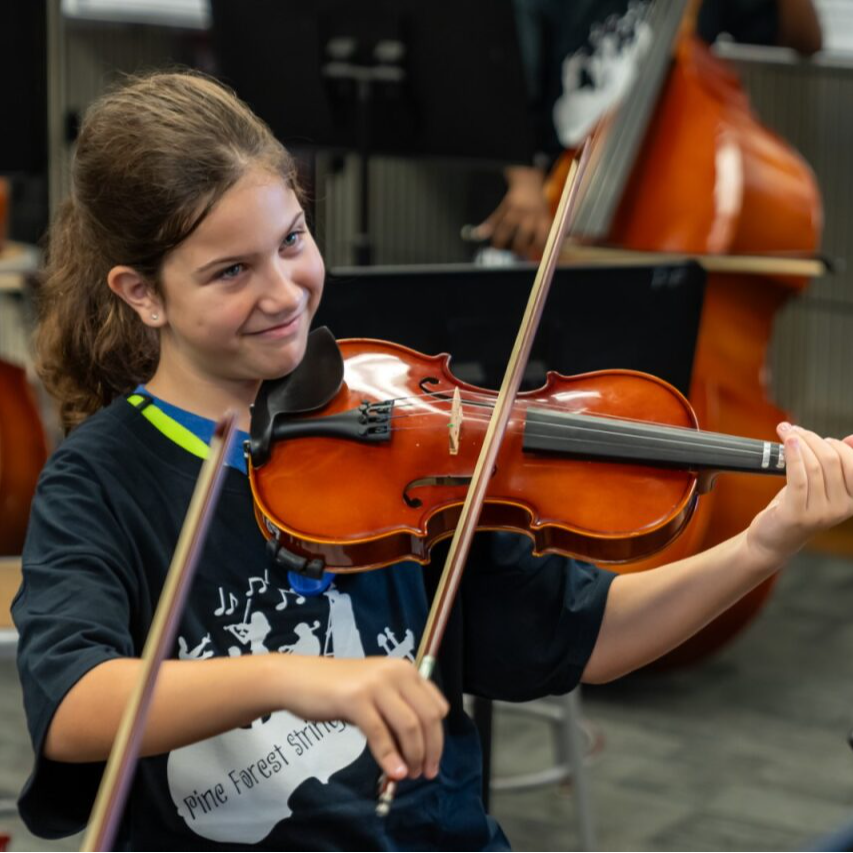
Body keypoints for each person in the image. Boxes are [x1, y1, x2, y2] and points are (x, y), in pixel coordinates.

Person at [12, 70, 853, 851]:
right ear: (142, 292)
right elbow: (75, 709)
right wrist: (298, 680)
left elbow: (590, 637)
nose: (284, 290)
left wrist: (764, 542)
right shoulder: (102, 478)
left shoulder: (403, 438)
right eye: (231, 270)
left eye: (292, 238)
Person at [475, 0, 824, 258]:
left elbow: (805, 38)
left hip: (665, 207)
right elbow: (505, 87)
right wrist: (524, 187)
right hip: (547, 202)